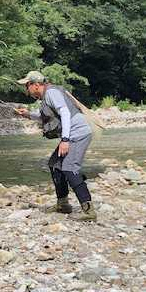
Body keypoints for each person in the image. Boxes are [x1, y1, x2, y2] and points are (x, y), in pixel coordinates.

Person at [14, 70, 96, 221]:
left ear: (36, 85)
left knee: (70, 168)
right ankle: (63, 204)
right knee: (55, 165)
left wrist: (65, 140)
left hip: (78, 133)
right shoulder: (46, 96)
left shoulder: (51, 93)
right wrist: (28, 114)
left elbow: (65, 113)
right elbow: (45, 116)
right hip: (72, 134)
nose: (26, 89)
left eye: (27, 85)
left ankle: (89, 211)